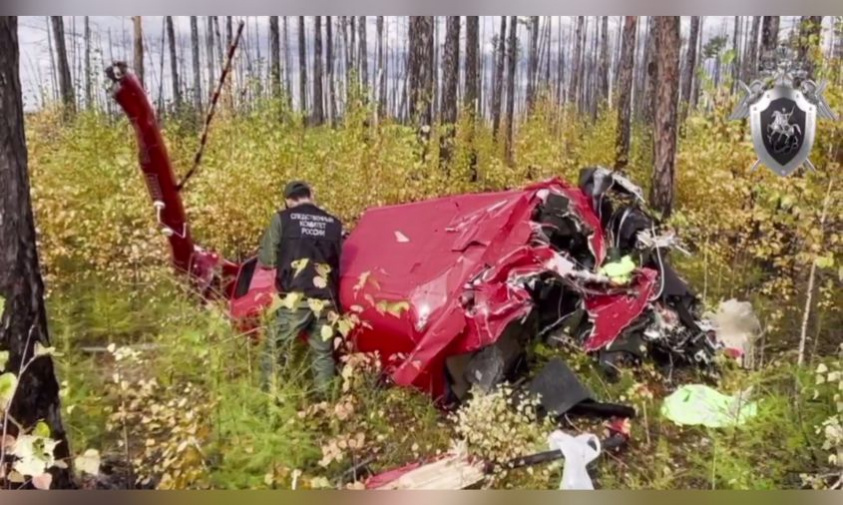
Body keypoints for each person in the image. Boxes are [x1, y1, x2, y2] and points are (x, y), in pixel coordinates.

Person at [257, 181, 343, 395]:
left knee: (274, 350)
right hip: (326, 298)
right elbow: (339, 260)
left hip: (296, 298)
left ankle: (269, 402)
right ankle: (327, 408)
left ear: (288, 200)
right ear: (310, 196)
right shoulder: (334, 223)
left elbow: (267, 259)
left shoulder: (282, 219)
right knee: (322, 355)